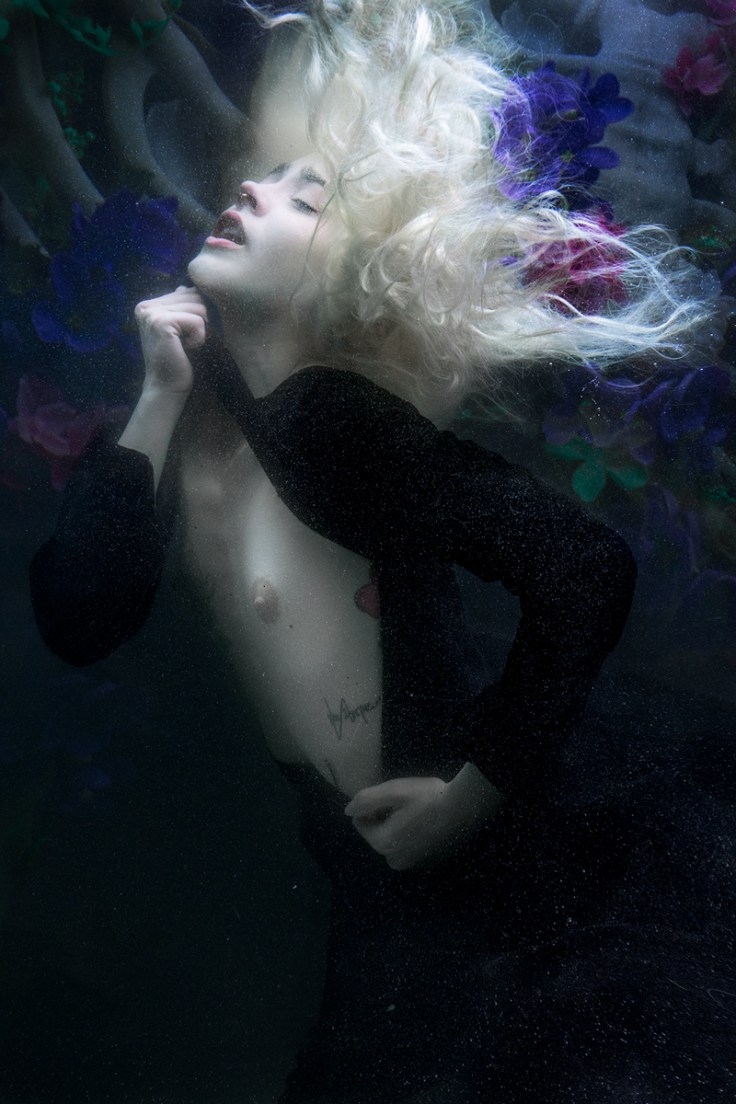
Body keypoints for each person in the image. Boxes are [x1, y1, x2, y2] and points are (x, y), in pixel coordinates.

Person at [30, 2, 725, 1101]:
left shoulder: (330, 420)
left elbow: (586, 566)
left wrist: (472, 793)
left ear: (352, 272)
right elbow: (81, 616)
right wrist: (157, 397)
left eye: (307, 197)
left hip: (503, 863)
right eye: (261, 176)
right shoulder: (207, 403)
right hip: (373, 879)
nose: (251, 192)